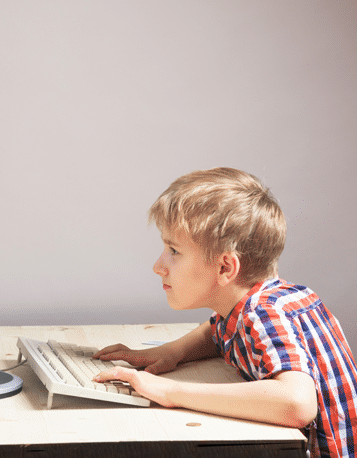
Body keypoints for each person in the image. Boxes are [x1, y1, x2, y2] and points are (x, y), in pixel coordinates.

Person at [92, 167, 355, 458]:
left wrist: (170, 391)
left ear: (225, 268)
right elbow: (216, 331)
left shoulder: (264, 314)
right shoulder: (271, 300)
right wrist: (172, 351)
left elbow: (296, 403)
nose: (159, 265)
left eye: (174, 251)